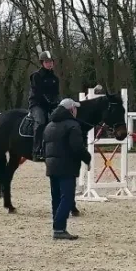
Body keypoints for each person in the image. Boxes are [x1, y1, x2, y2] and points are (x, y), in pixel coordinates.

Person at [43, 98, 92, 240]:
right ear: (71, 110)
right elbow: (77, 147)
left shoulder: (49, 125)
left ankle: (58, 227)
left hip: (52, 166)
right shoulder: (72, 125)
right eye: (75, 109)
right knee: (67, 198)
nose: (76, 111)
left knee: (56, 197)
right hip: (67, 166)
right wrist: (87, 158)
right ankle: (59, 228)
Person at [29, 51, 60, 161]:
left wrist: (57, 104)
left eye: (51, 62)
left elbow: (56, 94)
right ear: (42, 63)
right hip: (37, 104)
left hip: (51, 105)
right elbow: (38, 93)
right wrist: (49, 102)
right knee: (41, 121)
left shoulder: (55, 78)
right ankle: (36, 151)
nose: (49, 64)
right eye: (47, 62)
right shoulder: (36, 76)